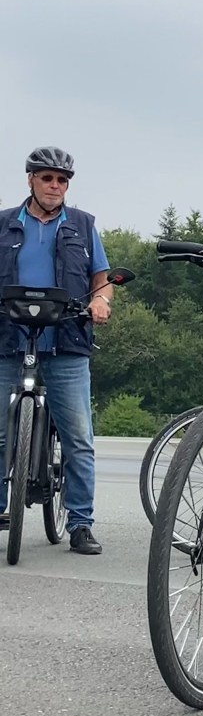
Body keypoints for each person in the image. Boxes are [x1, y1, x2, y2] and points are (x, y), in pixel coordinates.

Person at [0, 147, 113, 555]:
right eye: (47, 178)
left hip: (66, 338)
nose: (55, 186)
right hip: (9, 337)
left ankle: (80, 523)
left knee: (78, 436)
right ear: (30, 179)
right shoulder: (4, 224)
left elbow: (101, 276)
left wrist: (101, 300)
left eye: (62, 180)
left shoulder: (83, 225)